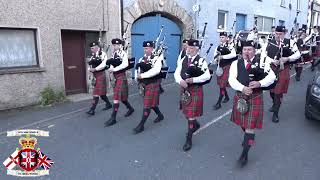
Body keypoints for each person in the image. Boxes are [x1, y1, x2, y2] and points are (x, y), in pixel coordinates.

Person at [229, 39, 276, 167]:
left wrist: (259, 83)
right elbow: (231, 79)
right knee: (242, 124)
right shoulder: (236, 63)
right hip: (241, 96)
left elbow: (272, 77)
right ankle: (248, 137)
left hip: (255, 97)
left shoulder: (262, 62)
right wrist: (242, 88)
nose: (247, 52)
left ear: (254, 50)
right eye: (245, 49)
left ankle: (244, 154)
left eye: (249, 49)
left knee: (250, 127)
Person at [174, 39, 211, 152]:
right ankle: (195, 124)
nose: (188, 50)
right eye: (188, 48)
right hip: (184, 88)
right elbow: (176, 72)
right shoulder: (184, 59)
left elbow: (207, 76)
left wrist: (193, 80)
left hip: (195, 89)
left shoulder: (201, 61)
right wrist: (180, 81)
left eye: (191, 48)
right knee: (186, 113)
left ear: (197, 49)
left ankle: (188, 139)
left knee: (190, 115)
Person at [264, 26, 301, 123]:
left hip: (283, 69)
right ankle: (274, 104)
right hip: (271, 69)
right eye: (276, 34)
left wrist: (287, 59)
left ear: (284, 33)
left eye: (280, 34)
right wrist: (272, 60)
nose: (278, 36)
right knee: (271, 91)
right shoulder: (269, 42)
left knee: (278, 93)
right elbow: (263, 55)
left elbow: (297, 54)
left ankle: (275, 113)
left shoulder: (290, 42)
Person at [133, 41, 164, 134]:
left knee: (147, 104)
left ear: (152, 48)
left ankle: (141, 125)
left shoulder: (157, 58)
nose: (145, 50)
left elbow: (156, 70)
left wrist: (142, 76)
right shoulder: (141, 59)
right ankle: (160, 115)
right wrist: (136, 78)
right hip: (144, 84)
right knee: (152, 103)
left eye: (147, 48)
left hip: (153, 83)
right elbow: (137, 70)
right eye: (144, 48)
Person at [102, 38, 135, 127]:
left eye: (116, 45)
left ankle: (113, 118)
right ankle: (130, 108)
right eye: (114, 45)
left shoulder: (123, 53)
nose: (115, 46)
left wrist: (114, 69)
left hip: (121, 76)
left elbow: (125, 64)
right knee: (123, 98)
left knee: (116, 96)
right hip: (116, 77)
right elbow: (112, 63)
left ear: (120, 45)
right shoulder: (114, 53)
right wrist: (110, 69)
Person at [213, 31, 237, 110]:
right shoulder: (218, 46)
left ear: (227, 38)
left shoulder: (230, 46)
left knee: (222, 85)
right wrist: (216, 59)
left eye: (223, 37)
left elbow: (233, 54)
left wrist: (223, 57)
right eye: (220, 37)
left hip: (227, 66)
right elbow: (215, 54)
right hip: (220, 67)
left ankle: (218, 103)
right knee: (221, 84)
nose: (221, 38)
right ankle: (226, 97)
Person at [87, 42, 112, 116]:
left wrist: (95, 69)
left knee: (96, 92)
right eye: (91, 48)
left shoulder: (102, 54)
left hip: (101, 75)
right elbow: (90, 65)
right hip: (95, 76)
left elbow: (104, 64)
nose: (91, 50)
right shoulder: (93, 55)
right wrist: (90, 69)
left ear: (97, 47)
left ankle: (92, 110)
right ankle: (108, 104)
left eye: (93, 48)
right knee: (101, 94)